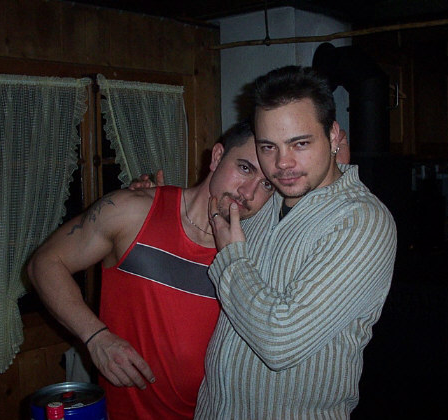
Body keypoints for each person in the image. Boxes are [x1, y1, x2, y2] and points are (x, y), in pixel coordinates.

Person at [27, 120, 274, 420]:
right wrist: (95, 337)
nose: (249, 192)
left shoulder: (256, 254)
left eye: (267, 184)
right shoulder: (133, 211)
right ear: (217, 156)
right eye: (245, 168)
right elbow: (45, 263)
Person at [195, 66, 397, 419]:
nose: (282, 163)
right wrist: (153, 197)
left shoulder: (362, 221)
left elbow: (280, 342)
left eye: (300, 143)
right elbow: (205, 212)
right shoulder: (266, 199)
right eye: (268, 147)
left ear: (333, 136)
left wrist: (231, 259)